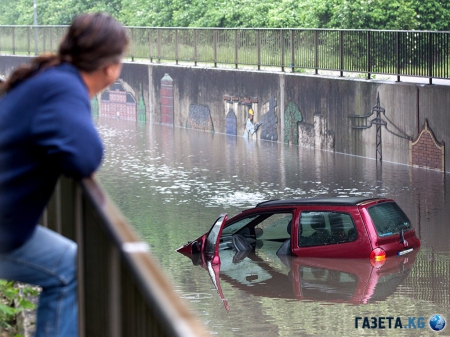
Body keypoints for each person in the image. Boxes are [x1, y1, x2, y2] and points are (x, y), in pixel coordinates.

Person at [0, 13, 128, 336]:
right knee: (67, 269)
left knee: (67, 260)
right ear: (110, 68)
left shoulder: (52, 76)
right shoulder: (64, 88)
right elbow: (86, 156)